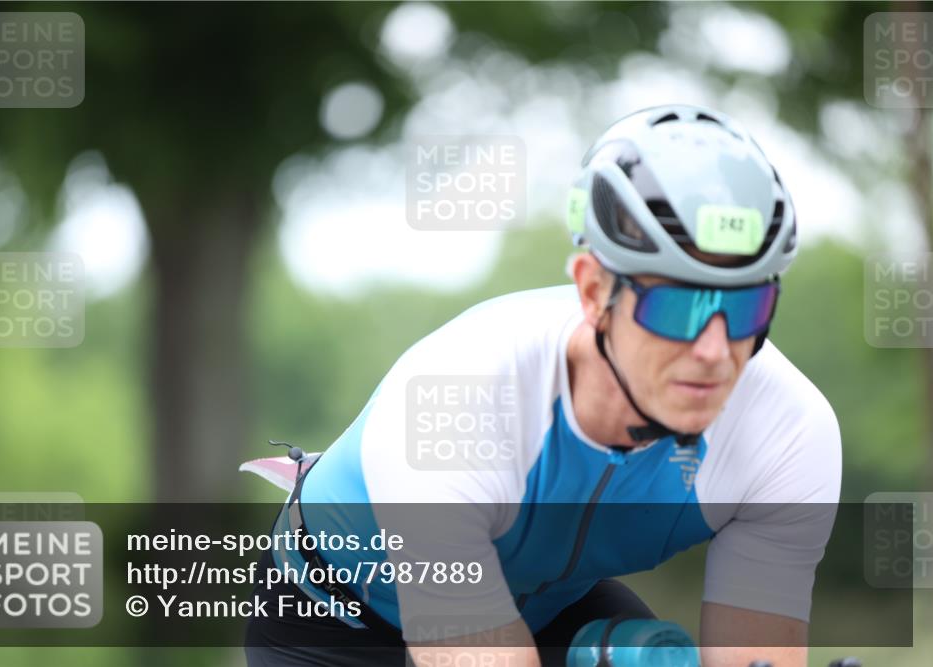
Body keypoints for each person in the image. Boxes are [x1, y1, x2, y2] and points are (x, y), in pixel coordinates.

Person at [245, 104, 841, 667]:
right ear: (592, 291)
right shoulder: (459, 391)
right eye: (675, 307)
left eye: (746, 306)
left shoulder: (789, 432)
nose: (714, 351)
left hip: (548, 605)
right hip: (333, 620)